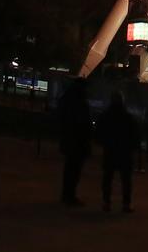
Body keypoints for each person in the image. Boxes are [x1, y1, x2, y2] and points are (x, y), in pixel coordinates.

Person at [96, 91, 140, 213]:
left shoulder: (105, 116)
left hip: (110, 150)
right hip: (125, 152)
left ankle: (106, 202)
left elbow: (99, 133)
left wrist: (104, 143)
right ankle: (126, 203)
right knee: (126, 179)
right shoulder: (128, 117)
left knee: (108, 178)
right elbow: (135, 134)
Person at [57, 78, 93, 206]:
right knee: (74, 170)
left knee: (69, 169)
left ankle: (67, 195)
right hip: (77, 141)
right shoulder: (80, 103)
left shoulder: (66, 100)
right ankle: (69, 196)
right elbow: (84, 124)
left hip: (69, 139)